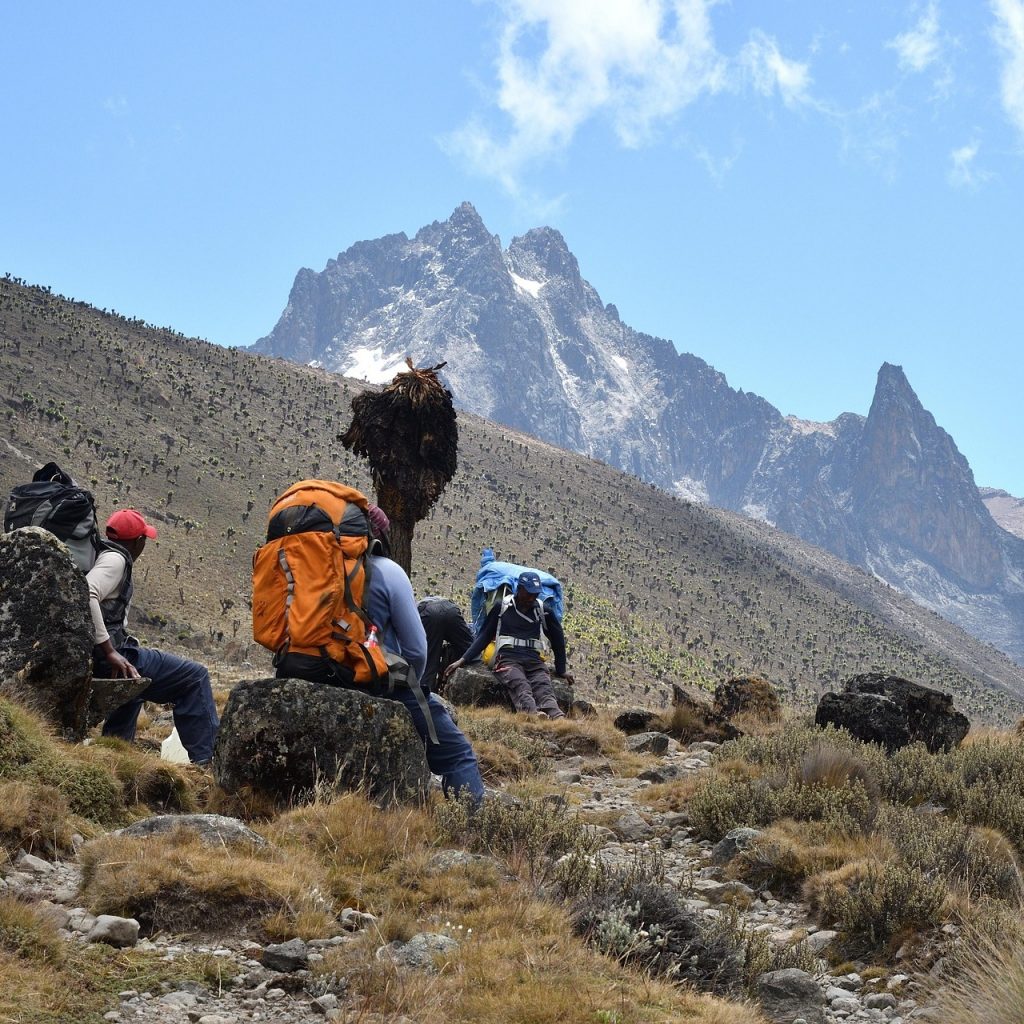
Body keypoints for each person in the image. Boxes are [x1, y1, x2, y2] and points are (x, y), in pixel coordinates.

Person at [276, 504, 485, 804]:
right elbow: (416, 650)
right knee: (458, 755)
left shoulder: (303, 570)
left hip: (304, 671)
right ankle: (471, 829)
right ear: (376, 537)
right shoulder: (389, 572)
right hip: (374, 684)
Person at [86, 509, 219, 765]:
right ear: (138, 541)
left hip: (101, 653)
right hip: (108, 655)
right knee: (194, 676)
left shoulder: (101, 554)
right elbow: (88, 592)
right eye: (144, 539)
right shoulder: (116, 560)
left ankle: (115, 754)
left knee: (134, 680)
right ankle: (207, 761)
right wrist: (109, 650)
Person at [445, 570, 573, 719]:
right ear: (519, 589)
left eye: (535, 594)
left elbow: (558, 640)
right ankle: (532, 716)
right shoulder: (502, 607)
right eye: (528, 593)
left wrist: (561, 670)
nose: (532, 597)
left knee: (543, 686)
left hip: (534, 661)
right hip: (507, 660)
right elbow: (485, 635)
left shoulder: (543, 611)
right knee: (520, 684)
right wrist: (463, 660)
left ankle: (557, 717)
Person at [417, 596, 474, 692]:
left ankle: (426, 696)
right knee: (470, 650)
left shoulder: (416, 608)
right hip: (451, 609)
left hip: (429, 614)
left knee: (429, 662)